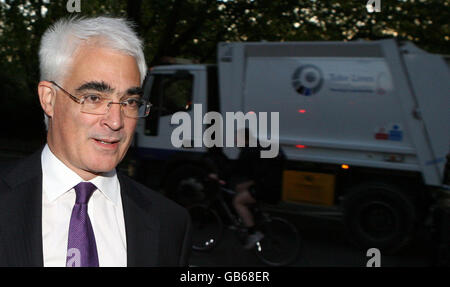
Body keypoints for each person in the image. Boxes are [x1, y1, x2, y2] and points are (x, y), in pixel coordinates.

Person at [0, 16, 191, 267]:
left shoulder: (170, 223)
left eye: (129, 102)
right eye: (93, 98)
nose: (115, 121)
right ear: (49, 99)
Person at [231, 129, 284, 249]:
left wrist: (219, 176)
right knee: (244, 190)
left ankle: (253, 233)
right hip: (275, 185)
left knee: (238, 201)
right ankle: (253, 218)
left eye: (236, 138)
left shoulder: (248, 150)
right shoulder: (260, 146)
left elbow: (236, 169)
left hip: (266, 188)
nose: (234, 141)